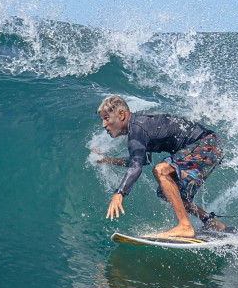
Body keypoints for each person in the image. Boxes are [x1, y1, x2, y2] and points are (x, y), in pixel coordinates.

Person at [96, 95, 227, 237]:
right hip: (210, 146)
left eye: (106, 118)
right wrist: (109, 160)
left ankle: (184, 226)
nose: (103, 125)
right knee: (169, 191)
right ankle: (211, 222)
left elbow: (136, 166)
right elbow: (143, 159)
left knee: (161, 170)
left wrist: (119, 192)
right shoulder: (139, 125)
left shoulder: (137, 128)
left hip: (207, 144)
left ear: (121, 115)